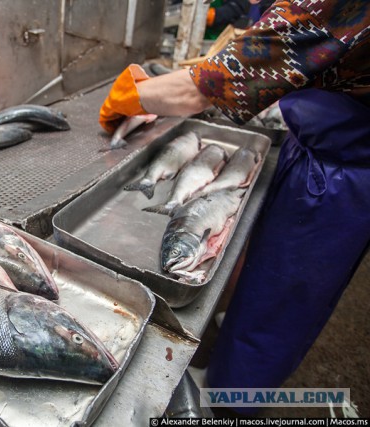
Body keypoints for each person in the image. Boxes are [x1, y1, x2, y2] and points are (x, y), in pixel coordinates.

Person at [99, 0, 370, 415]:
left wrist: (135, 95)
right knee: (264, 271)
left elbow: (204, 87)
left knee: (280, 306)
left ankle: (228, 404)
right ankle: (235, 346)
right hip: (321, 150)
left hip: (340, 178)